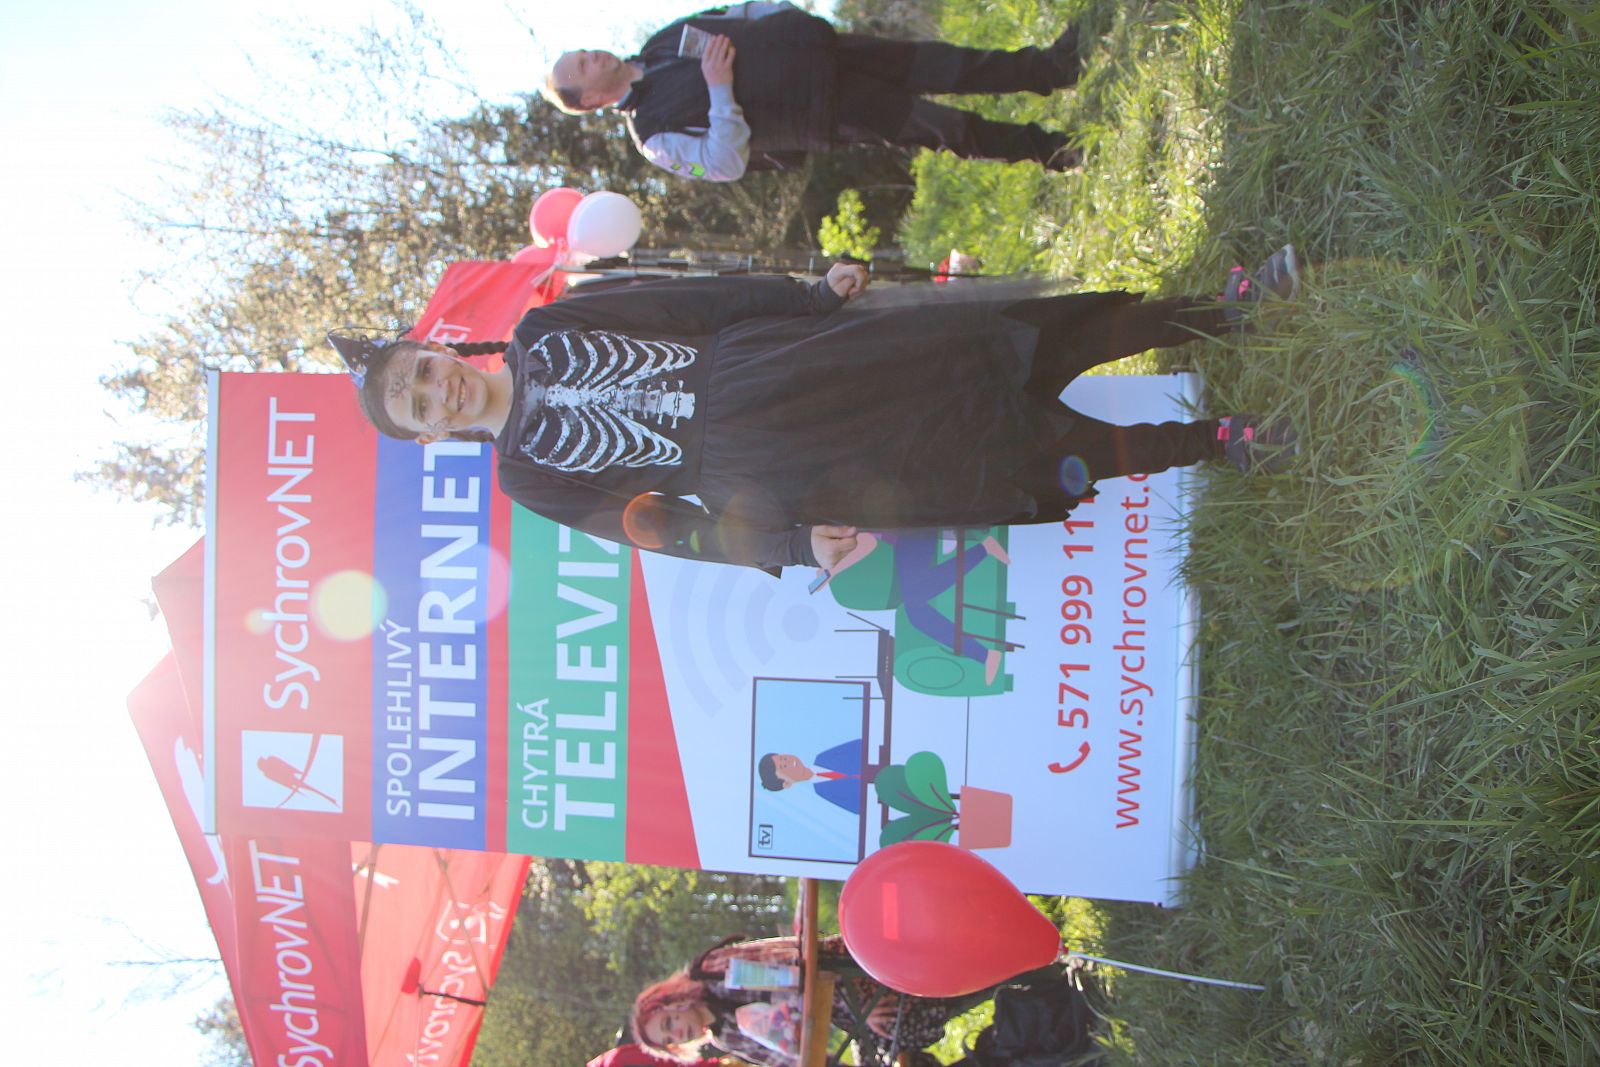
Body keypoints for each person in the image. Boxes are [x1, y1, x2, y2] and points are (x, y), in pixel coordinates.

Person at [332, 248, 1298, 575]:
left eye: (422, 369)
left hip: (785, 361)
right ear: (430, 435)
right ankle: (1218, 441)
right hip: (774, 465)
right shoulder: (524, 474)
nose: (435, 388)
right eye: (418, 405)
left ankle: (1224, 312)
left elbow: (695, 305)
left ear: (439, 349)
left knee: (1011, 341)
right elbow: (659, 527)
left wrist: (807, 297)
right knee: (1002, 450)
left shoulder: (547, 327)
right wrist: (789, 545)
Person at [541, 1, 1086, 181]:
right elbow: (723, 164)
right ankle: (1055, 150)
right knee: (945, 128)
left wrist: (786, 15)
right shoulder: (653, 136)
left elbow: (737, 13)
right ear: (589, 101)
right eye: (582, 67)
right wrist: (719, 91)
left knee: (945, 63)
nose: (593, 55)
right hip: (824, 111)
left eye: (585, 51)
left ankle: (1053, 68)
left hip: (822, 51)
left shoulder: (659, 42)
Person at [629, 934, 979, 1067]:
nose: (679, 1033)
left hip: (843, 971)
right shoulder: (726, 1038)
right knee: (887, 1053)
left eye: (668, 1023)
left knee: (899, 1026)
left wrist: (862, 1012)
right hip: (848, 1015)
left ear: (671, 1002)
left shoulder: (713, 972)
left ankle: (986, 976)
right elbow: (791, 1059)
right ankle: (1000, 1039)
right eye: (670, 1040)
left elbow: (796, 973)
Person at [759, 743, 872, 815]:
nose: (788, 761)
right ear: (787, 784)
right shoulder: (823, 791)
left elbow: (860, 744)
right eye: (783, 767)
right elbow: (858, 808)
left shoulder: (824, 757)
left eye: (783, 758)